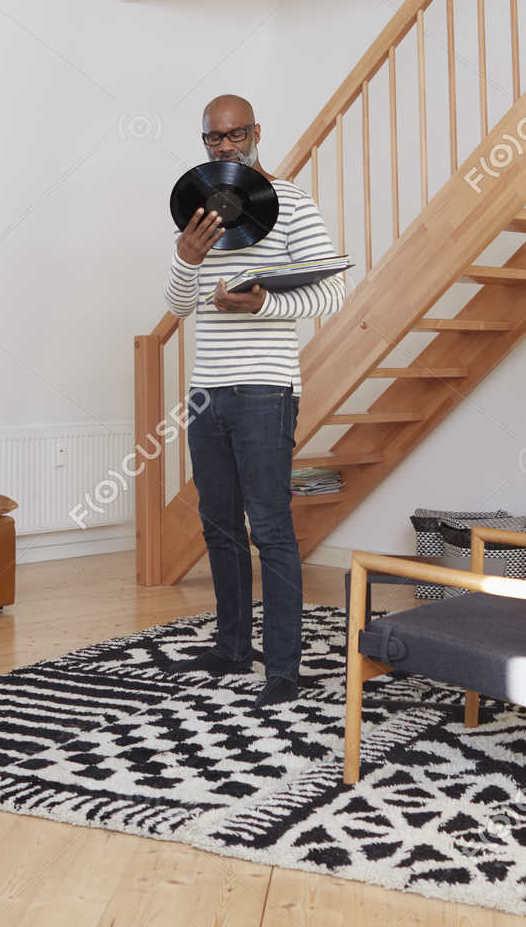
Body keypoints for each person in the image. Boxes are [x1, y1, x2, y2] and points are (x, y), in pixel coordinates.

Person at [162, 95, 346, 707]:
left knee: (270, 528)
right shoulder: (196, 208)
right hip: (205, 393)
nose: (226, 147)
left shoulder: (290, 202)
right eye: (214, 139)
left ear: (256, 133)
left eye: (236, 135)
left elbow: (333, 290)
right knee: (219, 526)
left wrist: (264, 303)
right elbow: (181, 304)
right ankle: (232, 647)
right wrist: (185, 259)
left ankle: (285, 669)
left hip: (267, 389)